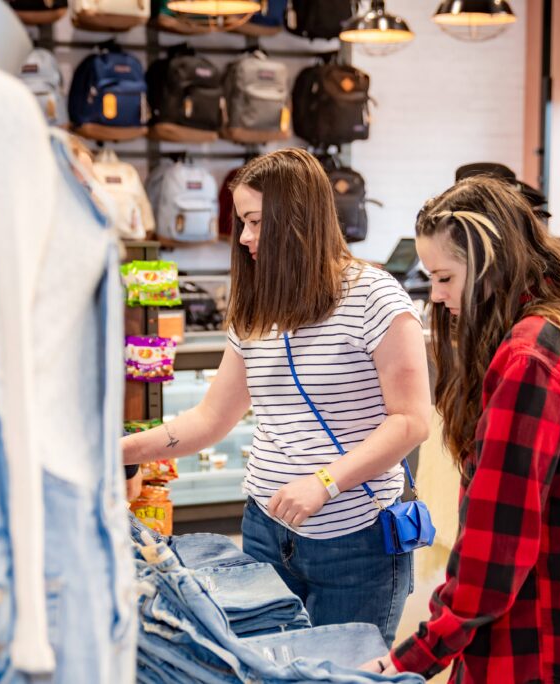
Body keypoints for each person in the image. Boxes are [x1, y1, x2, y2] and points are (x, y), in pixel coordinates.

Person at [363, 176, 560, 681]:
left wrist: (412, 658)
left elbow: (497, 541)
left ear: (489, 266)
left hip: (549, 632)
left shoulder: (530, 360)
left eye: (445, 278)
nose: (436, 297)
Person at [122, 148, 431, 645]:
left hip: (357, 538)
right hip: (266, 529)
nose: (244, 238)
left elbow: (411, 421)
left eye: (255, 222)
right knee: (264, 666)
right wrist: (123, 450)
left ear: (299, 219)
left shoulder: (376, 297)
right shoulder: (259, 306)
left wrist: (325, 482)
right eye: (241, 222)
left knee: (341, 675)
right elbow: (211, 418)